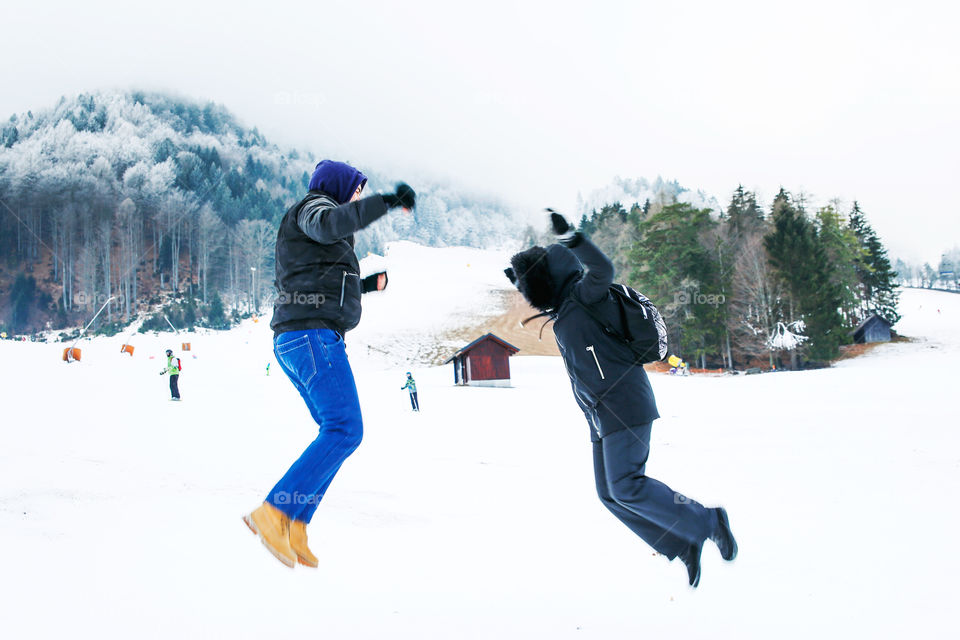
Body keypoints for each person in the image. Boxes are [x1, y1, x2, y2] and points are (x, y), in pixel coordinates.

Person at [504, 211, 737, 587]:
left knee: (627, 484)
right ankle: (681, 544)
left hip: (625, 403)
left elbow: (603, 268)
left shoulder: (585, 293)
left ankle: (708, 520)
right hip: (600, 415)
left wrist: (573, 238)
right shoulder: (563, 313)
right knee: (610, 494)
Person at [243, 160, 415, 569]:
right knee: (345, 429)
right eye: (356, 190)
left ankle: (296, 524)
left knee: (338, 431)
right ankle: (274, 513)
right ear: (339, 187)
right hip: (311, 337)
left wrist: (366, 286)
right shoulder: (314, 209)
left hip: (300, 337)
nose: (356, 197)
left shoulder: (312, 223)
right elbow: (331, 224)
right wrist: (386, 202)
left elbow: (317, 280)